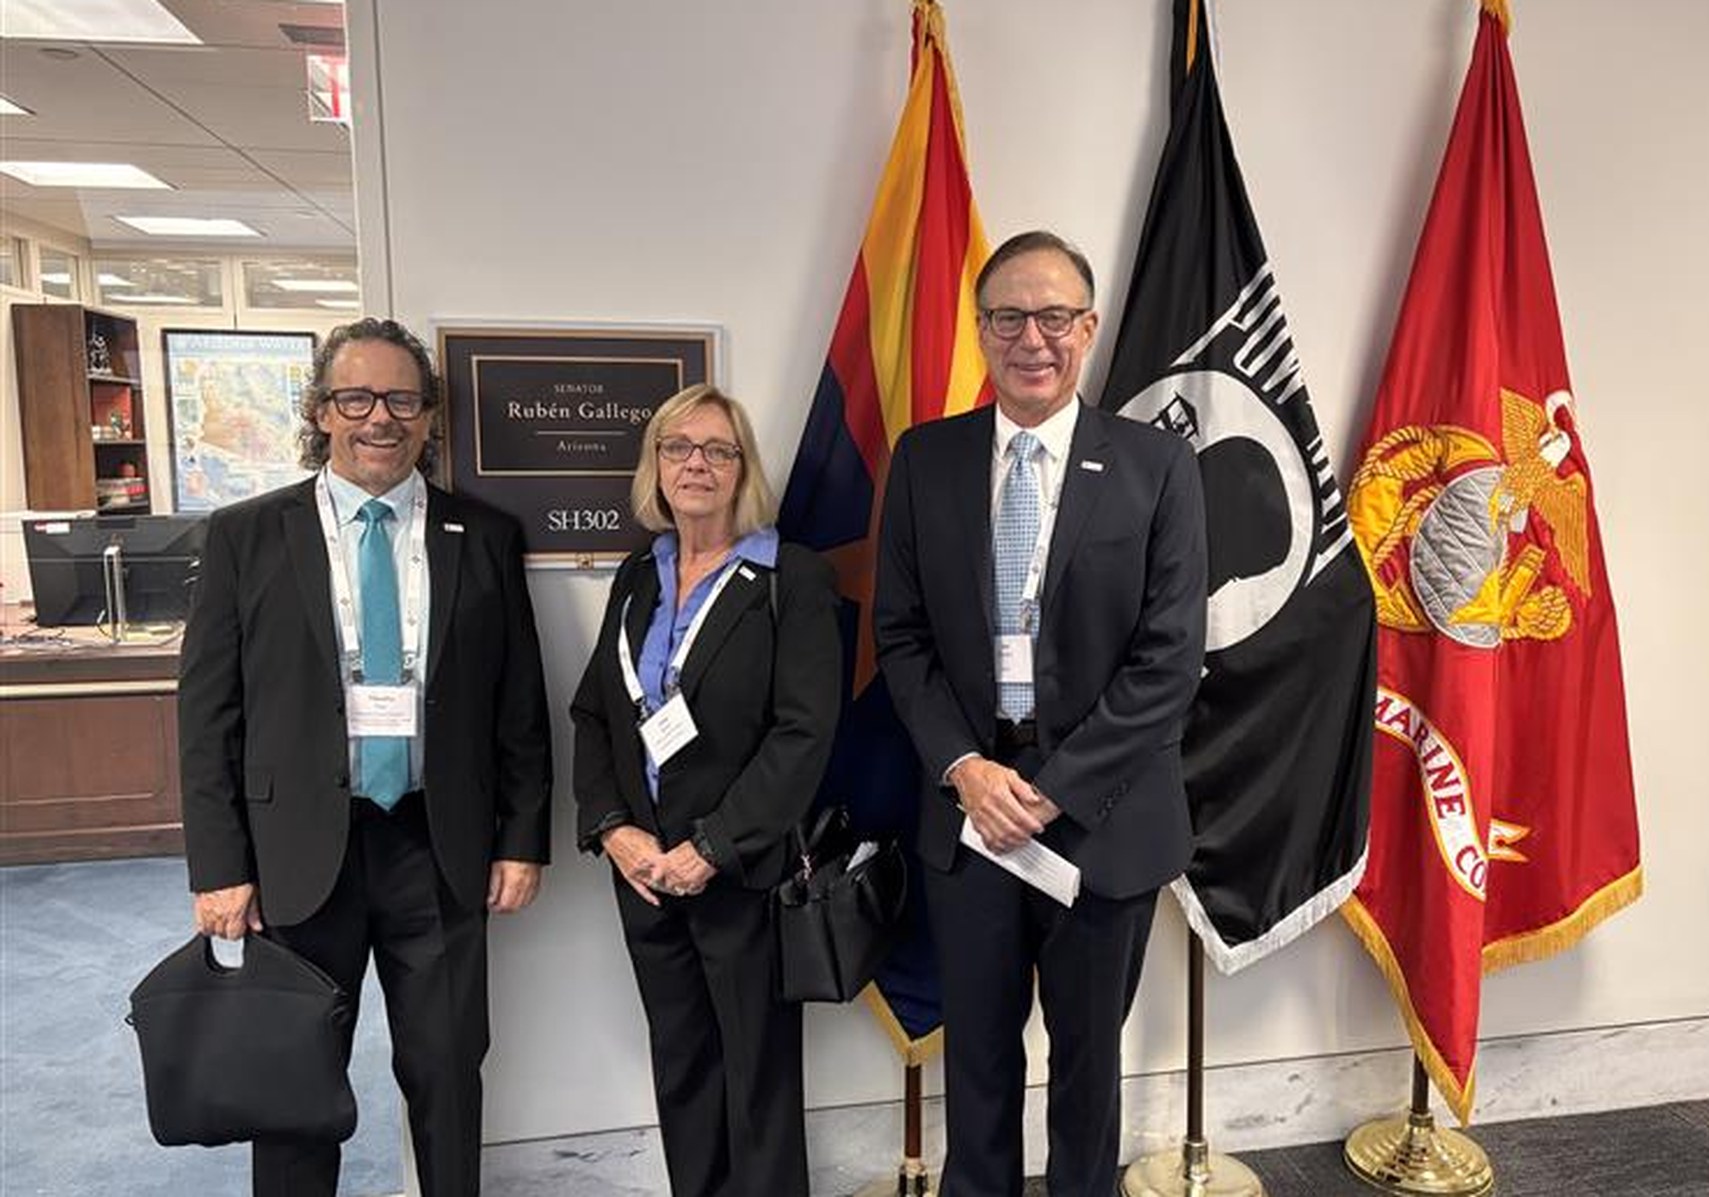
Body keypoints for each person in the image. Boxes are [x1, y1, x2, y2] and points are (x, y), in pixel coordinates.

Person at [179, 317, 552, 1197]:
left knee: (448, 1071)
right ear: (320, 411)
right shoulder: (247, 536)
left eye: (401, 399)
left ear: (427, 417)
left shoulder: (483, 536)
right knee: (297, 1080)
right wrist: (219, 865)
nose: (378, 418)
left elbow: (519, 705)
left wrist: (522, 836)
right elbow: (206, 717)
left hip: (440, 844)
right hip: (299, 852)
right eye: (355, 398)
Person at [874, 231, 1208, 1196]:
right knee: (976, 1059)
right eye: (1009, 316)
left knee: (1087, 1068)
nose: (1033, 338)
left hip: (1101, 819)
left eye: (1054, 316)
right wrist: (967, 771)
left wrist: (1050, 792)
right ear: (980, 331)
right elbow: (901, 638)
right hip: (969, 814)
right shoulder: (926, 460)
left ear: (1088, 327)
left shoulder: (1155, 466)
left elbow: (1167, 661)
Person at [571, 383, 841, 1197]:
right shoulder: (637, 575)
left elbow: (804, 734)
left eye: (716, 449)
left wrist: (713, 847)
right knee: (682, 1069)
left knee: (757, 1083)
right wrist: (614, 829)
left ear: (741, 469)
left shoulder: (789, 577)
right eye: (677, 447)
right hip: (648, 878)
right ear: (655, 464)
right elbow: (594, 714)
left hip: (740, 875)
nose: (695, 463)